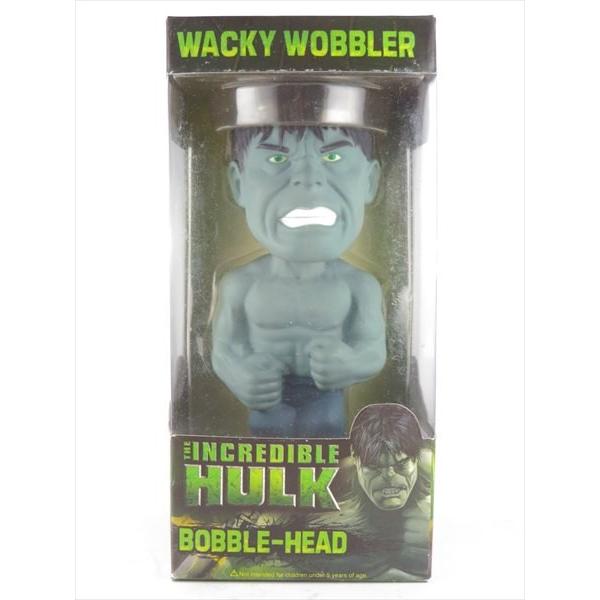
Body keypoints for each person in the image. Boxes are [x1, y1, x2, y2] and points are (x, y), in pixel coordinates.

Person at [211, 124, 386, 437]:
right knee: (267, 442)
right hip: (267, 397)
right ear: (239, 184)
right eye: (277, 160)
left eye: (333, 157)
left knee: (327, 436)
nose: (308, 179)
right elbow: (224, 349)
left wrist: (350, 365)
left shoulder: (359, 285)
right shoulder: (240, 284)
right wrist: (239, 376)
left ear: (370, 181)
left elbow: (373, 350)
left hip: (325, 397)